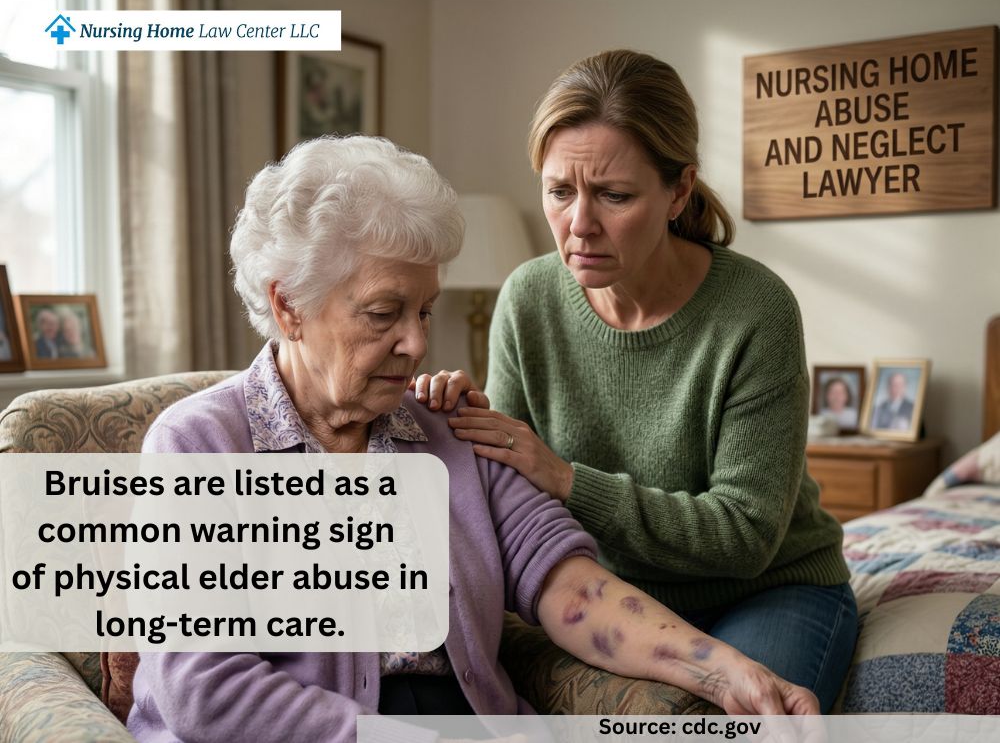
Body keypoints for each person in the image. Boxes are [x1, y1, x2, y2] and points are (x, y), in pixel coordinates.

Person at [128, 136, 817, 743]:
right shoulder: (197, 446)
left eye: (425, 310)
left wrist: (728, 674)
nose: (418, 343)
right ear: (288, 307)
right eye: (383, 313)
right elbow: (203, 688)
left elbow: (572, 588)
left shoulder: (445, 429)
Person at [415, 50, 857, 712]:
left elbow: (743, 537)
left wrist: (567, 479)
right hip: (611, 595)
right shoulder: (527, 299)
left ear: (679, 191)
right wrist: (458, 420)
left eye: (614, 195)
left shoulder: (756, 311)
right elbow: (513, 503)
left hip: (769, 589)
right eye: (559, 191)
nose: (578, 224)